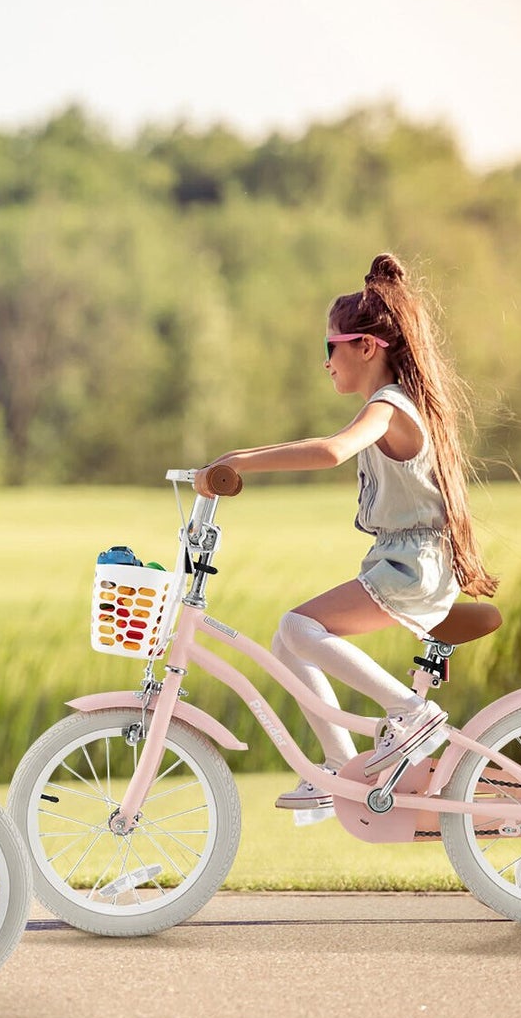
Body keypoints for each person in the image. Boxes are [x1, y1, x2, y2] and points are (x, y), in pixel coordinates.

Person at [195, 254, 498, 810]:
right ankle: (337, 767)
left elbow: (332, 451)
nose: (326, 362)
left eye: (329, 346)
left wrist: (238, 461)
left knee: (298, 626)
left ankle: (411, 713)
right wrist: (233, 461)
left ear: (366, 347)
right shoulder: (390, 405)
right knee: (287, 640)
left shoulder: (389, 405)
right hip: (403, 562)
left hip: (414, 567)